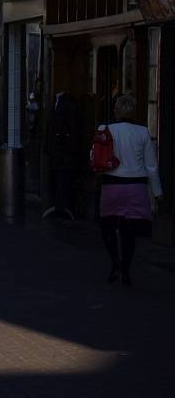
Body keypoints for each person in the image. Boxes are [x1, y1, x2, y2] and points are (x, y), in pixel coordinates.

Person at [98, 94, 163, 287]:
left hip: (112, 185)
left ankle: (115, 262)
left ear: (116, 110)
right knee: (129, 231)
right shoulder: (143, 132)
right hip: (136, 187)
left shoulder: (105, 129)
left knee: (107, 225)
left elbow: (95, 157)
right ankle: (126, 270)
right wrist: (157, 192)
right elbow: (151, 166)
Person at [45, 91, 82, 218]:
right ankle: (61, 205)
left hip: (62, 150)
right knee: (60, 178)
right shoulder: (57, 104)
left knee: (62, 178)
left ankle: (62, 206)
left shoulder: (67, 105)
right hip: (60, 150)